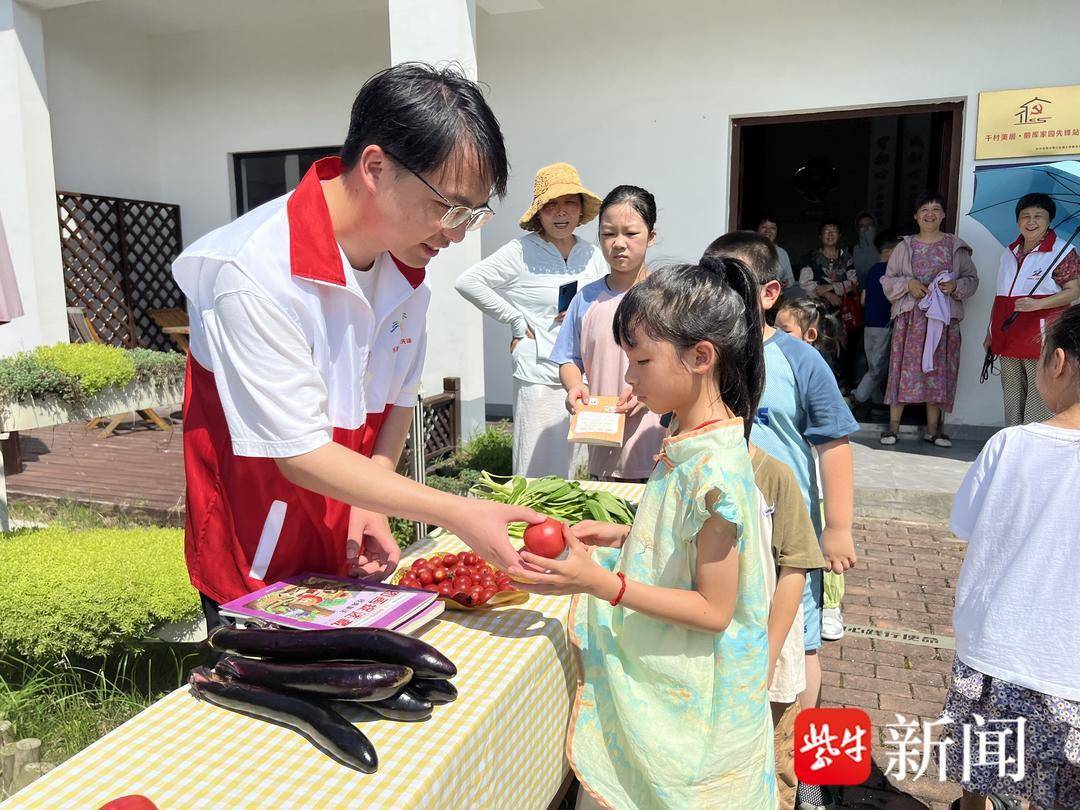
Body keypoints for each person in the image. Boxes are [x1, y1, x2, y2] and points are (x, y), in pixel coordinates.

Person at [172, 63, 542, 622]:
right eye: (450, 206)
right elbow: (299, 455)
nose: (459, 231)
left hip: (342, 533)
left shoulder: (407, 266)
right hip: (257, 538)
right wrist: (455, 511)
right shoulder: (252, 272)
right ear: (375, 167)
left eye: (475, 212)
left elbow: (395, 400)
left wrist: (368, 501)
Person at [509, 258, 776, 808]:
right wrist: (626, 535)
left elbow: (713, 610)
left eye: (641, 361)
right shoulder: (691, 436)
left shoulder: (715, 472)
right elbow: (686, 541)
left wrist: (603, 584)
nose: (629, 378)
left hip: (693, 706)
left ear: (701, 357)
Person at [704, 231, 858, 810]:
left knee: (803, 649)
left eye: (733, 281)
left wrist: (838, 527)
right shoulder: (707, 351)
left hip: (790, 535)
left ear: (769, 292)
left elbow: (834, 442)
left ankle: (804, 770)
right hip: (725, 531)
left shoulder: (797, 357)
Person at [941, 306, 1080, 810]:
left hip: (998, 646)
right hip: (1070, 666)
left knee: (984, 770)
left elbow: (965, 523)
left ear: (1057, 362)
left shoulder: (1011, 444)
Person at [455, 163, 607, 477]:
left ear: (581, 210)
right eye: (551, 205)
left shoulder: (592, 254)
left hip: (585, 377)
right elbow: (468, 282)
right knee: (536, 467)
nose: (561, 213)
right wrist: (514, 319)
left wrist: (586, 310)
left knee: (579, 468)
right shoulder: (520, 252)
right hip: (538, 374)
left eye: (569, 203)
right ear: (538, 213)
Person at [551, 185, 666, 483]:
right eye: (608, 234)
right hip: (601, 452)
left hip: (661, 451)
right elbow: (568, 358)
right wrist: (574, 386)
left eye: (631, 233)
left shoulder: (669, 298)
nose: (618, 243)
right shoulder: (585, 299)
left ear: (651, 237)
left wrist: (648, 393)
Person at [750, 445, 826, 810]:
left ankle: (808, 782)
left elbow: (795, 566)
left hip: (770, 657)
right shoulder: (675, 461)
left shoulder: (772, 474)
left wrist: (768, 653)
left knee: (775, 761)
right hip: (717, 662)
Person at [772, 297, 851, 644]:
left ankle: (829, 607)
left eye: (785, 330)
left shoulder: (806, 362)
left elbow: (834, 443)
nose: (778, 335)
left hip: (808, 497)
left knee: (823, 564)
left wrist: (838, 526)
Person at [880, 192, 979, 447]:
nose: (930, 214)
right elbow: (887, 279)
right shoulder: (905, 246)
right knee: (902, 370)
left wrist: (955, 285)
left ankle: (934, 430)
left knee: (938, 372)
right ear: (916, 216)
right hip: (910, 321)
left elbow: (972, 280)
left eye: (936, 209)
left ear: (944, 214)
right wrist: (908, 283)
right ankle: (892, 428)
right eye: (924, 209)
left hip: (943, 322)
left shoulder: (955, 247)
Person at [987, 192, 1080, 426]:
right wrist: (990, 331)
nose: (1031, 221)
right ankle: (1013, 442)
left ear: (1050, 221)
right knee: (1012, 396)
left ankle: (1035, 445)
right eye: (1025, 216)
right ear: (1017, 221)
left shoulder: (1061, 251)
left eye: (1039, 216)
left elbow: (1073, 291)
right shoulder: (1009, 252)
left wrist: (1037, 304)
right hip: (1007, 335)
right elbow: (1000, 295)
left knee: (1040, 396)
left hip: (1040, 336)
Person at [852, 230, 900, 418]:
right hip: (883, 324)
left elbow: (864, 299)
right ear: (890, 250)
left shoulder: (872, 270)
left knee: (874, 364)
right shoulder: (891, 272)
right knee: (877, 368)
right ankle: (857, 398)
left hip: (869, 324)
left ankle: (878, 402)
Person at [757, 215, 797, 294]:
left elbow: (791, 279)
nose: (768, 231)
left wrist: (785, 283)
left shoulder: (782, 253)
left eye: (772, 228)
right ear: (757, 229)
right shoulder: (747, 251)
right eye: (764, 227)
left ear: (777, 231)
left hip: (775, 299)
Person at [851, 211, 879, 286]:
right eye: (862, 226)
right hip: (860, 293)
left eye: (869, 225)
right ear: (858, 230)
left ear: (875, 226)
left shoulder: (884, 247)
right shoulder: (853, 250)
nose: (866, 228)